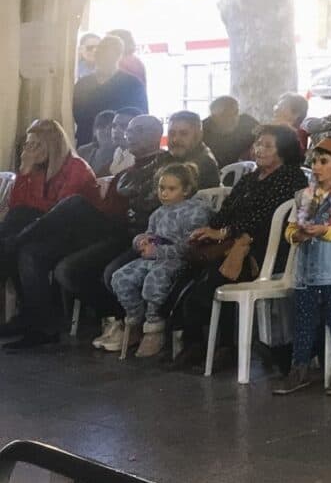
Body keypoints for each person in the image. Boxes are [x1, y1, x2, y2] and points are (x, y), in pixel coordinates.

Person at [173, 126, 306, 369]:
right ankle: (195, 342)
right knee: (187, 272)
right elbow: (227, 210)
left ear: (284, 150)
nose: (259, 150)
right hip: (234, 243)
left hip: (266, 249)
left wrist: (225, 233)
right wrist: (209, 230)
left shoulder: (291, 177)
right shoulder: (251, 177)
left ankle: (221, 345)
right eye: (258, 144)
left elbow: (265, 218)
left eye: (267, 145)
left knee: (212, 280)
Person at [0, 119, 127, 349]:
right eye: (28, 145)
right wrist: (24, 173)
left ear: (52, 145)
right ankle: (35, 322)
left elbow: (57, 211)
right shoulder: (37, 170)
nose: (29, 151)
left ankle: (37, 322)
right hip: (54, 234)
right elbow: (20, 205)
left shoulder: (76, 168)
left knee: (65, 208)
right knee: (25, 244)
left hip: (86, 233)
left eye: (36, 145)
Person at [272, 137, 331, 395]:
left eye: (324, 161)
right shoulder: (303, 196)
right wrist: (296, 236)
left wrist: (325, 231)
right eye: (314, 161)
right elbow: (290, 228)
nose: (317, 166)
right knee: (303, 321)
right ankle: (298, 369)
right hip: (305, 273)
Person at [104, 160, 211, 358]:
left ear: (186, 190)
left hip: (176, 260)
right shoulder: (157, 213)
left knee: (155, 280)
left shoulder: (196, 212)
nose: (165, 193)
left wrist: (158, 252)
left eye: (171, 189)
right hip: (152, 258)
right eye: (162, 188)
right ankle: (135, 318)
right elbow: (149, 233)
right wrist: (141, 241)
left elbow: (189, 246)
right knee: (121, 277)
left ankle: (154, 325)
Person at [71, 37, 146, 145]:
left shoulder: (132, 84)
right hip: (88, 143)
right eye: (101, 52)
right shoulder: (83, 84)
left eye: (109, 54)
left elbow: (140, 117)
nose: (104, 57)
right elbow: (77, 115)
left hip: (122, 145)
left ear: (118, 56)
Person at [202, 95, 259, 166]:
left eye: (236, 112)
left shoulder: (247, 122)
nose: (233, 118)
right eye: (226, 115)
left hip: (246, 170)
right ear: (213, 117)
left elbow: (266, 136)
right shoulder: (202, 129)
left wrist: (256, 146)